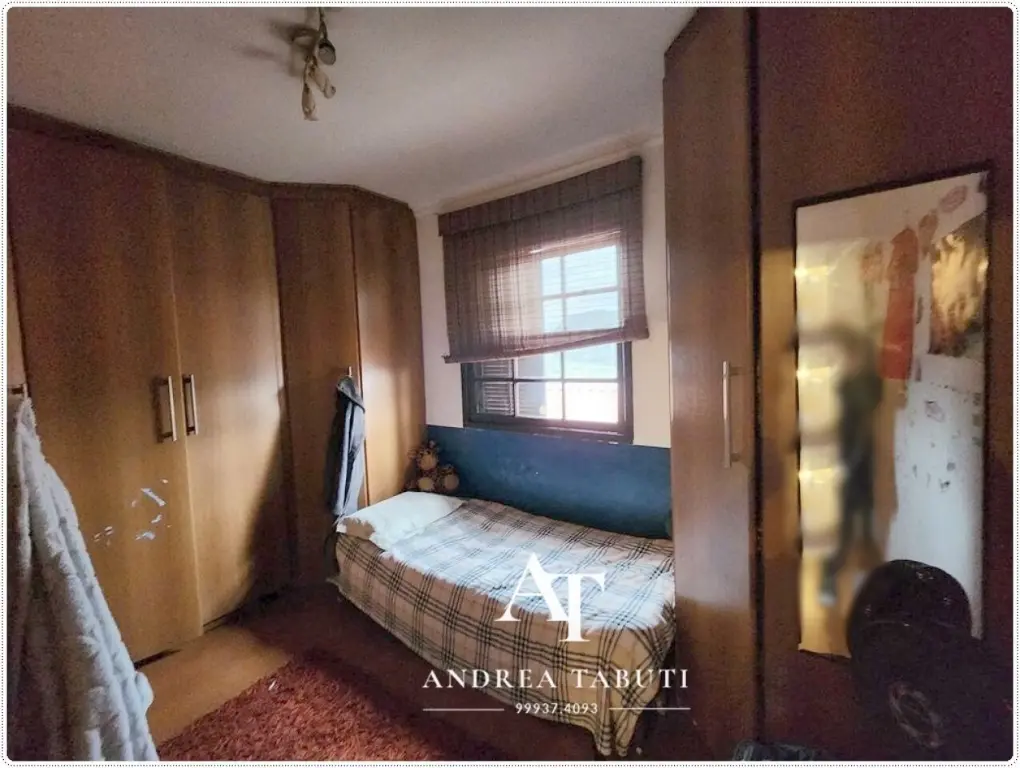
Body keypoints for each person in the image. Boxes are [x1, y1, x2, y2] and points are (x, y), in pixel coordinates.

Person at [820, 325, 884, 604]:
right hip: (855, 462)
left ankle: (839, 582)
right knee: (853, 527)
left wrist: (849, 463)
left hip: (858, 463)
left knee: (856, 526)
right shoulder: (853, 383)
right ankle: (834, 580)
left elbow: (862, 430)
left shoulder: (862, 385)